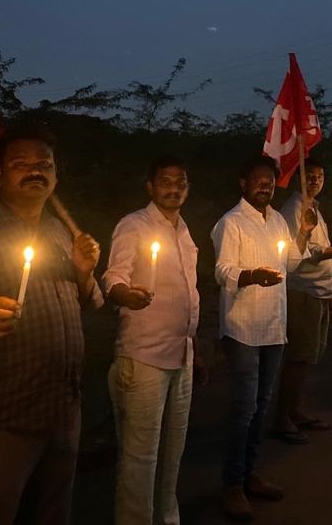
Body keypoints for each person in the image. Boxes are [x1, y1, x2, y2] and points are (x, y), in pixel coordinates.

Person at [0, 123, 103, 524]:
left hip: (62, 408)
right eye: (20, 164)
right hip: (1, 417)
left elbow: (88, 302)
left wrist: (84, 272)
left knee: (52, 513)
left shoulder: (60, 231)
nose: (34, 171)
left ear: (56, 175)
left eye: (44, 164)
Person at [102, 155, 206, 525]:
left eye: (181, 182)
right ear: (150, 186)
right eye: (165, 181)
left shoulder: (183, 231)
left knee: (172, 452)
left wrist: (193, 345)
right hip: (144, 357)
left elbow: (188, 293)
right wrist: (124, 294)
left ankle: (167, 517)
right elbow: (113, 275)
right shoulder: (134, 225)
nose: (173, 188)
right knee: (140, 457)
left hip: (181, 355)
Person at [211, 156, 312, 522]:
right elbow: (222, 271)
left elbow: (291, 264)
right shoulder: (231, 223)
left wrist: (301, 233)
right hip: (242, 328)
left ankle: (250, 473)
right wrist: (251, 275)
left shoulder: (278, 222)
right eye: (257, 181)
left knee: (262, 404)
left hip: (273, 326)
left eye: (269, 181)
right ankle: (232, 485)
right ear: (243, 183)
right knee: (244, 409)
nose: (264, 186)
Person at [273, 158, 332, 438]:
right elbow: (296, 255)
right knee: (298, 358)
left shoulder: (315, 209)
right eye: (309, 176)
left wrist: (330, 290)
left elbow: (318, 248)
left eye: (320, 176)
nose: (315, 181)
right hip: (303, 293)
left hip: (319, 292)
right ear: (299, 178)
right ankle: (282, 418)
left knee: (308, 358)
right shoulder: (293, 210)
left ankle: (296, 410)